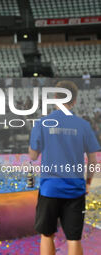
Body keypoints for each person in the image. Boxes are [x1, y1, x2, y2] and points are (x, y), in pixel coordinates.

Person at [29, 80, 100, 255]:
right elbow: (93, 160)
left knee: (47, 235)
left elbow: (32, 156)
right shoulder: (83, 126)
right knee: (74, 238)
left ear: (54, 98)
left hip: (49, 189)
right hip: (75, 189)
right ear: (74, 100)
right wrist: (88, 183)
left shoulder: (43, 123)